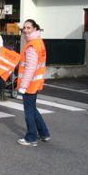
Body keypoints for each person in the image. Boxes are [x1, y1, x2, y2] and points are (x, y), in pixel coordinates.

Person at [17, 19, 50, 147]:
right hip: (35, 82)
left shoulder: (31, 46)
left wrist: (23, 86)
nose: (25, 30)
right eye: (24, 28)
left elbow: (30, 68)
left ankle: (31, 137)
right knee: (33, 109)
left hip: (29, 84)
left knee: (29, 111)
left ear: (35, 28)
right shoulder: (38, 42)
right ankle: (44, 133)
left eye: (29, 28)